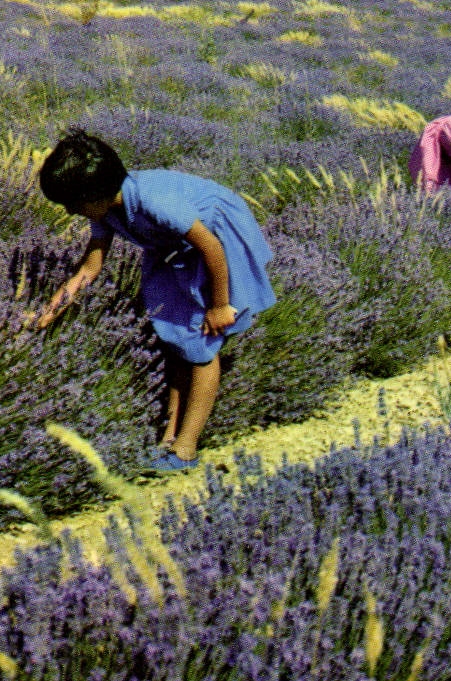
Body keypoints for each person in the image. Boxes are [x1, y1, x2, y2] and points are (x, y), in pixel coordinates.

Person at [34, 129, 276, 473]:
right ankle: (169, 436)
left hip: (216, 239)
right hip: (170, 247)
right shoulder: (105, 211)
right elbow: (90, 266)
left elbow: (211, 248)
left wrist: (219, 305)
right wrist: (51, 310)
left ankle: (187, 448)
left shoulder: (155, 201)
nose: (71, 211)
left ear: (98, 193)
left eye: (74, 204)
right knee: (173, 334)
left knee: (204, 345)